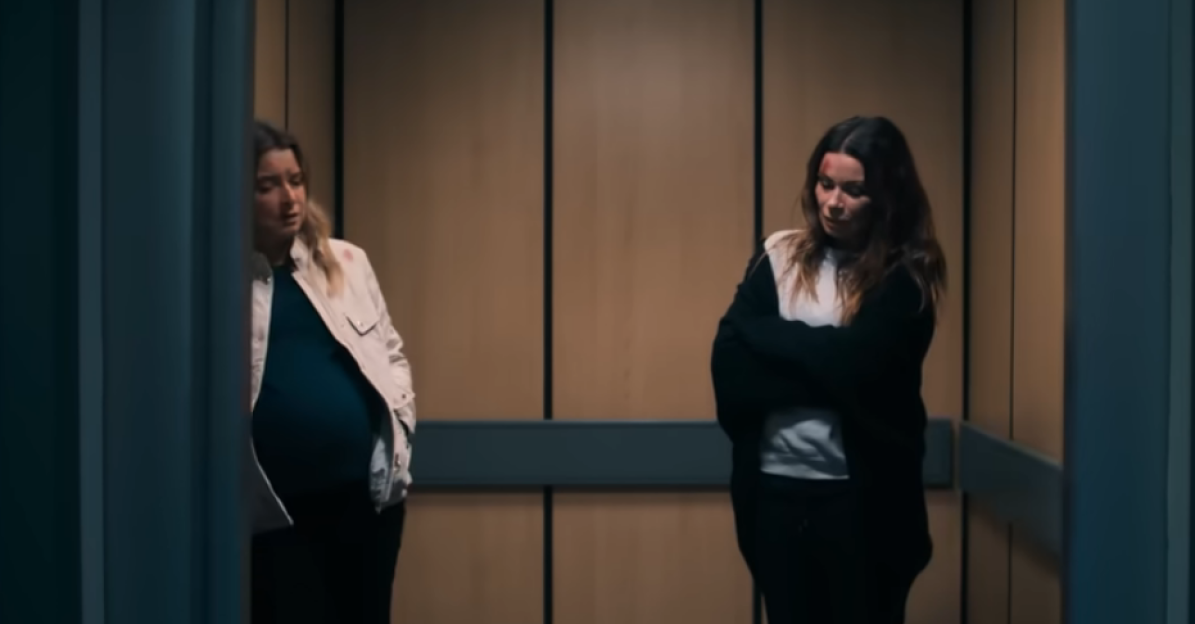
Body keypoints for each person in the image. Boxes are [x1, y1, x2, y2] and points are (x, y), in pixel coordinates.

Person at [710, 115, 947, 624]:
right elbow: (730, 367)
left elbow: (861, 370)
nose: (833, 202)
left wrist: (772, 341)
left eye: (853, 190)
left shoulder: (906, 272)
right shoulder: (778, 254)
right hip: (774, 496)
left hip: (864, 509)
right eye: (825, 183)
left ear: (885, 195)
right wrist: (832, 366)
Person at [247, 120, 416, 624]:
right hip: (276, 516)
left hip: (365, 503)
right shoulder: (219, 280)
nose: (289, 198)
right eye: (268, 185)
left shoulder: (345, 261)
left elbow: (391, 354)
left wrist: (403, 427)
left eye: (296, 180)